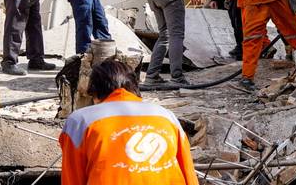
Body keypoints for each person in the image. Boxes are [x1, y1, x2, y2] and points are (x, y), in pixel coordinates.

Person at [59, 60, 198, 185]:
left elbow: (72, 178)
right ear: (134, 88)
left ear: (95, 92)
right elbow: (188, 173)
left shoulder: (80, 121)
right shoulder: (167, 116)